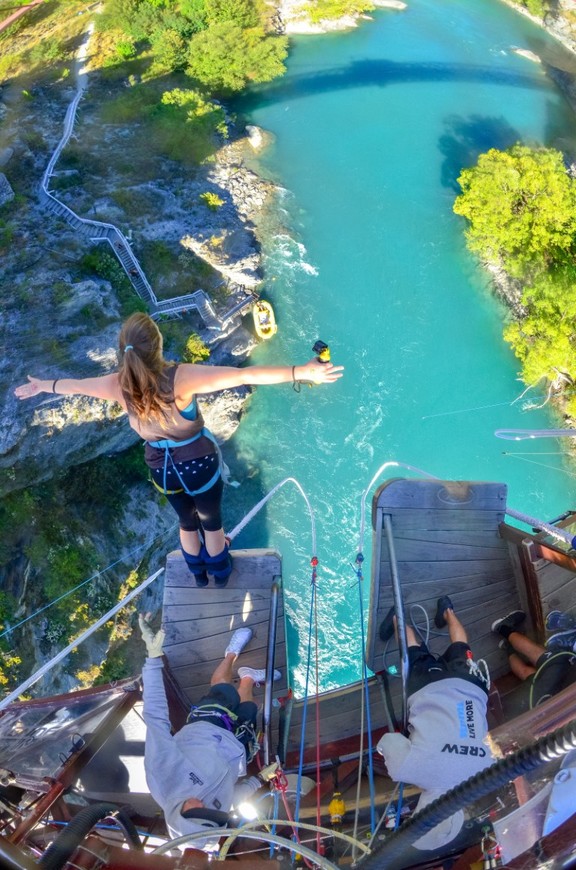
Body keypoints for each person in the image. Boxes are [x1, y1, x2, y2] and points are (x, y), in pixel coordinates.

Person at [14, 312, 344, 587]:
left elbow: (76, 387)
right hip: (198, 462)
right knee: (211, 521)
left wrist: (43, 386)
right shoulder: (179, 379)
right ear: (157, 347)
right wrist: (303, 371)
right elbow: (242, 375)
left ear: (123, 352)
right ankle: (220, 573)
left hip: (161, 467)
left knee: (186, 522)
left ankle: (199, 577)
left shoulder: (119, 385)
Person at [139, 616, 279, 848]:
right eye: (212, 815)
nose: (204, 806)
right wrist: (260, 779)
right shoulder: (212, 815)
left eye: (196, 811)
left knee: (224, 689)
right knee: (248, 708)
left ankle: (231, 654)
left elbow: (155, 718)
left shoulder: (162, 777)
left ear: (177, 818)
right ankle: (248, 677)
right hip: (238, 750)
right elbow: (233, 799)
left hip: (207, 729)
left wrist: (153, 661)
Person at [376, 596, 495, 852]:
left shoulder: (486, 773)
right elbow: (388, 741)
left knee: (461, 646)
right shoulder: (408, 770)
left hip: (471, 688)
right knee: (413, 652)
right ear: (418, 814)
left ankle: (448, 610)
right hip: (428, 690)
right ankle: (396, 617)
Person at [491, 610, 576, 712]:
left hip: (561, 676)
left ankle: (502, 628)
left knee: (536, 653)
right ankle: (508, 646)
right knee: (526, 673)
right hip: (544, 703)